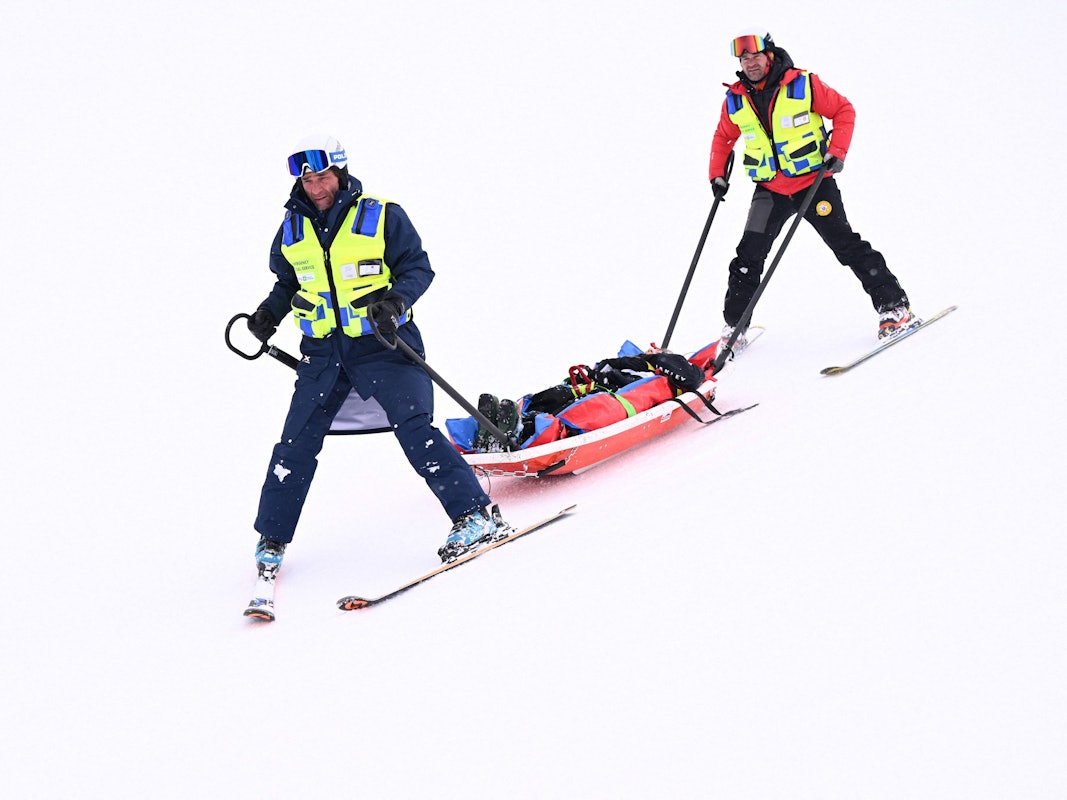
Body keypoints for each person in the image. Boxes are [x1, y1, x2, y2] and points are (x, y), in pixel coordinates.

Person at [245, 134, 508, 570]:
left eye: (324, 176)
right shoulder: (291, 227)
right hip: (322, 356)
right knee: (294, 444)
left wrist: (397, 300)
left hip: (383, 346)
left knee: (415, 427)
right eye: (308, 180)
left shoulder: (382, 215)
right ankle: (271, 539)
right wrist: (267, 315)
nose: (317, 187)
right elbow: (288, 283)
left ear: (341, 172)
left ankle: (475, 515)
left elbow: (417, 267)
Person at [708, 30, 920, 351]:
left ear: (770, 55)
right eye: (744, 58)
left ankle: (894, 307)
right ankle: (734, 327)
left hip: (813, 183)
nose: (750, 63)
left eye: (755, 56)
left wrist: (838, 151)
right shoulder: (736, 99)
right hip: (769, 190)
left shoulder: (802, 84)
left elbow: (844, 111)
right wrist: (717, 176)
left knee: (845, 245)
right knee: (748, 257)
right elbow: (723, 138)